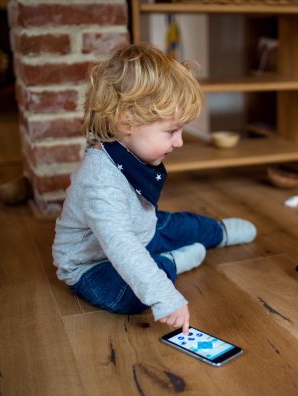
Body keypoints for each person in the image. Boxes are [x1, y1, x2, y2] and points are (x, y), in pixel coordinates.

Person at [52, 43, 256, 335]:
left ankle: (218, 232)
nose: (180, 142)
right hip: (93, 264)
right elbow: (121, 247)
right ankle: (169, 263)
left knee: (184, 225)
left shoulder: (128, 147)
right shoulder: (99, 182)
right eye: (172, 131)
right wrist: (165, 296)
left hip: (143, 228)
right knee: (131, 296)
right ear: (127, 122)